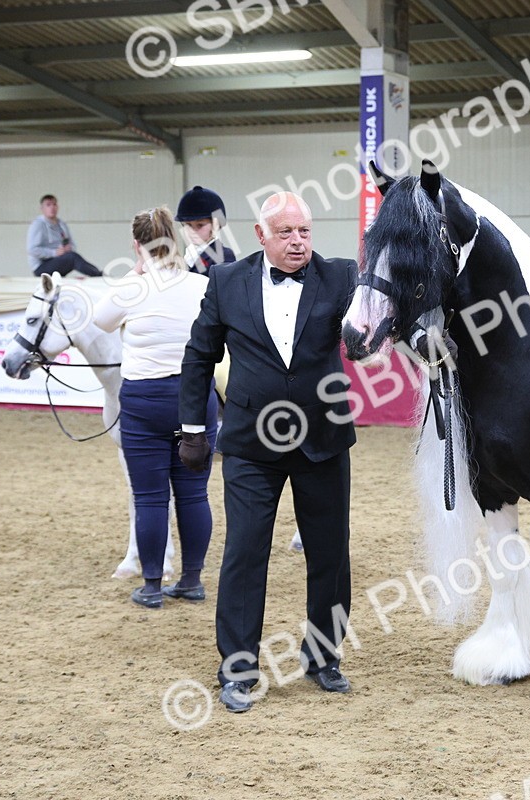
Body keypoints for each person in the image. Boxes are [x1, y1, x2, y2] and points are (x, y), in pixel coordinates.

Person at [177, 192, 357, 714]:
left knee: (330, 554)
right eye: (286, 233)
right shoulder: (226, 282)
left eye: (304, 231)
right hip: (251, 443)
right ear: (261, 236)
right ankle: (237, 667)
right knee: (245, 551)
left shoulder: (342, 276)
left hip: (322, 438)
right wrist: (192, 428)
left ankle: (325, 657)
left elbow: (377, 325)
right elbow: (199, 355)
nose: (298, 241)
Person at [92, 206, 217, 609]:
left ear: (136, 245)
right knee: (194, 494)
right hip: (192, 404)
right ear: (175, 240)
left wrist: (133, 273)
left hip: (145, 404)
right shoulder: (200, 284)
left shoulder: (132, 288)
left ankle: (150, 585)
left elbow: (101, 321)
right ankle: (192, 580)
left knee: (149, 497)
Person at [27, 195, 103, 277]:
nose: (52, 207)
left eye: (54, 204)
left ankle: (97, 273)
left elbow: (72, 245)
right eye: (48, 205)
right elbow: (32, 249)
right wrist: (54, 253)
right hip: (41, 267)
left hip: (59, 261)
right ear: (42, 208)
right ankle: (99, 275)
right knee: (72, 258)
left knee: (72, 256)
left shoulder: (62, 225)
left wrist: (67, 249)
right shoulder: (38, 224)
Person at [176, 185, 237, 275]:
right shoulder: (187, 257)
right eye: (188, 225)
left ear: (215, 225)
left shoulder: (224, 256)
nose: (192, 231)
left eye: (200, 225)